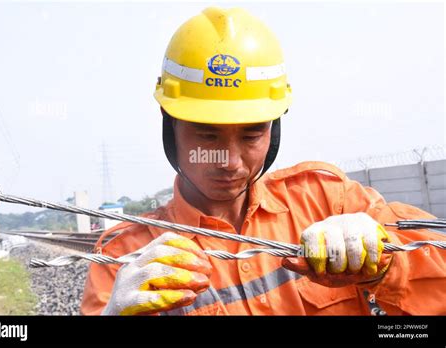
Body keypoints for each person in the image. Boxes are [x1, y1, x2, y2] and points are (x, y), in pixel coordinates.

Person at [81, 7, 446, 315]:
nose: (230, 161)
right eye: (207, 135)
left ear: (275, 127)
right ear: (169, 124)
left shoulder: (326, 200)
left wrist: (387, 265)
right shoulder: (126, 255)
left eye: (252, 134)